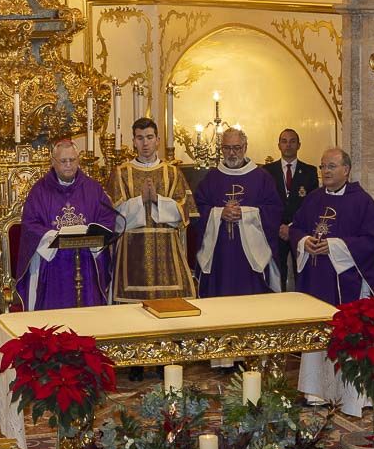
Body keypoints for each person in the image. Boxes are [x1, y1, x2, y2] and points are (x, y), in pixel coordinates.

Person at [290, 148, 374, 416]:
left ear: (347, 169)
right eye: (322, 167)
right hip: (316, 281)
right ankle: (316, 391)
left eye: (331, 166)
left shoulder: (363, 202)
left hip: (346, 285)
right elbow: (296, 227)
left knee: (347, 337)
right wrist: (303, 241)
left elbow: (372, 242)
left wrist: (333, 246)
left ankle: (352, 396)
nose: (326, 172)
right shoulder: (313, 199)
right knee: (318, 334)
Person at [16, 139, 117, 309]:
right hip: (54, 265)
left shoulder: (93, 188)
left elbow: (107, 218)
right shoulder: (39, 191)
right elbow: (30, 225)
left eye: (72, 160)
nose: (69, 165)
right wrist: (53, 237)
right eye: (63, 161)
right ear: (53, 162)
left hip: (87, 263)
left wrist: (92, 233)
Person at [107, 117, 196, 303]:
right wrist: (141, 200)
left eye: (149, 137)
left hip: (167, 251)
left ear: (157, 140)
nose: (145, 143)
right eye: (139, 138)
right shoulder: (121, 172)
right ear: (133, 142)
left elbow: (184, 213)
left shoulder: (172, 172)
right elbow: (114, 219)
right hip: (132, 251)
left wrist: (157, 200)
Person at [193, 128, 283, 296]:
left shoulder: (262, 178)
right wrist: (219, 214)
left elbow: (274, 210)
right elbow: (197, 209)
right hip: (219, 254)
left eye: (237, 148)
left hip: (250, 257)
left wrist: (246, 214)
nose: (232, 153)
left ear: (245, 147)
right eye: (227, 148)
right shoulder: (212, 178)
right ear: (221, 149)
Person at [263, 129, 318, 286]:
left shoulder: (310, 171)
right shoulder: (266, 171)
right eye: (284, 141)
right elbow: (265, 203)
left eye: (292, 141)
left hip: (299, 230)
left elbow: (311, 205)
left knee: (301, 270)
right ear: (279, 145)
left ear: (299, 145)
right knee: (276, 272)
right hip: (275, 230)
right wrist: (279, 226)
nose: (288, 145)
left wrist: (292, 227)